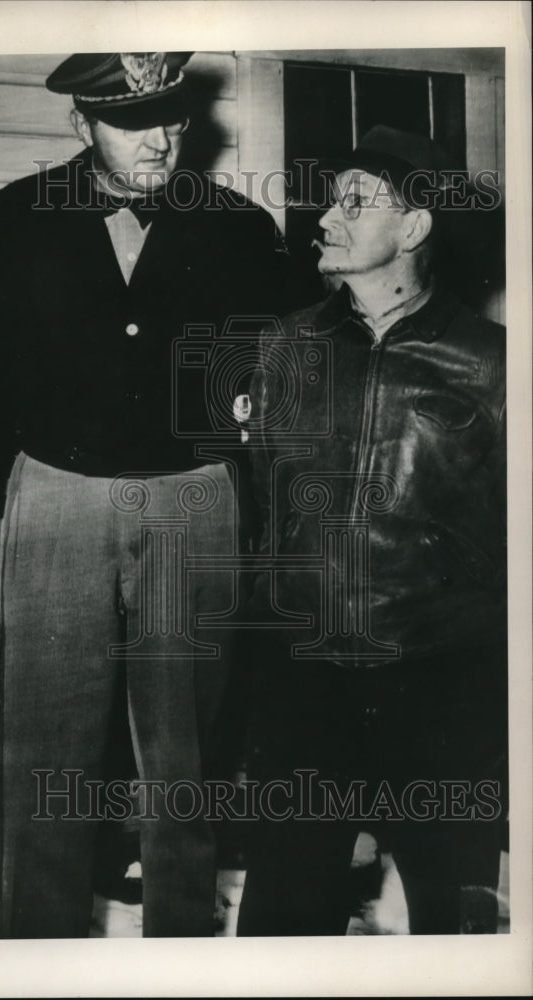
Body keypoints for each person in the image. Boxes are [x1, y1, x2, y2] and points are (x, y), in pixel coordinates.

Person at [0, 51, 299, 938]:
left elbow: (284, 354)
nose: (160, 140)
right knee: (47, 744)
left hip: (195, 500)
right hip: (56, 493)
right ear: (80, 124)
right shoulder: (11, 219)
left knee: (186, 749)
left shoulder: (237, 226)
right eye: (134, 123)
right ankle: (40, 949)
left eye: (172, 121)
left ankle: (179, 944)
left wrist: (258, 386)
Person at [237, 126, 507, 936]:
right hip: (302, 679)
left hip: (440, 680)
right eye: (329, 199)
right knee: (285, 913)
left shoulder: (493, 365)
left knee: (449, 915)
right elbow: (260, 509)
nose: (325, 216)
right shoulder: (285, 346)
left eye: (354, 200)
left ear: (415, 228)